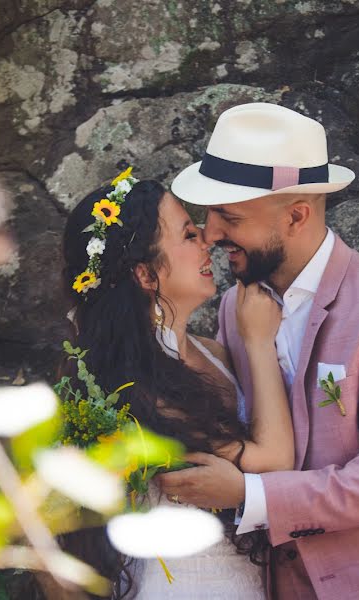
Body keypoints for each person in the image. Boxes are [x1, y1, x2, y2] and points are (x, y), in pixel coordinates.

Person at [157, 103, 359, 599]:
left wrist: (251, 496)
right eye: (207, 215)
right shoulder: (231, 308)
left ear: (296, 215)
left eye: (229, 216)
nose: (211, 233)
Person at [62, 175, 294, 599]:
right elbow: (275, 460)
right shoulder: (134, 386)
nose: (207, 240)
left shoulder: (213, 354)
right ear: (146, 275)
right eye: (188, 234)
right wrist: (258, 342)